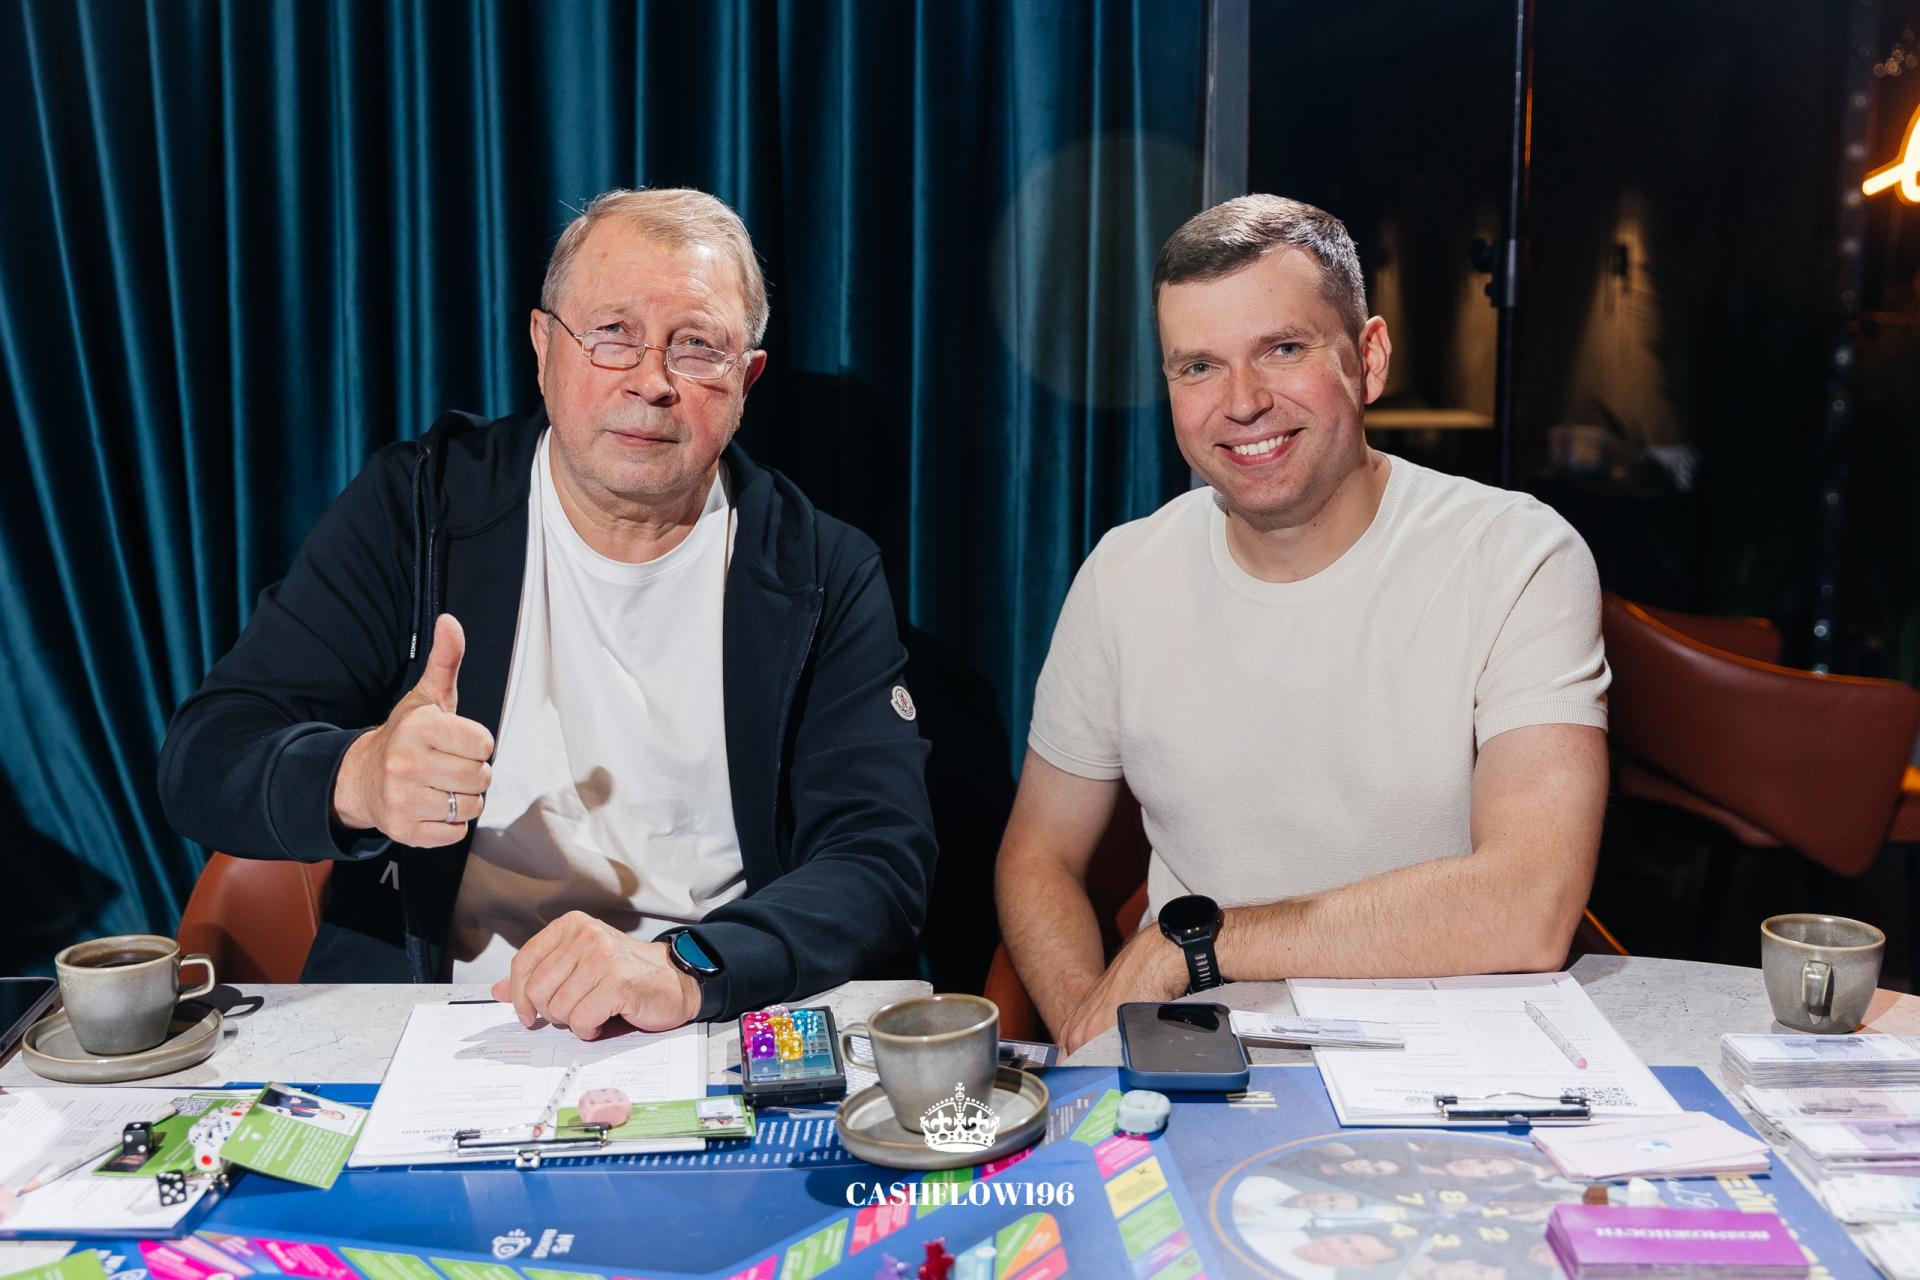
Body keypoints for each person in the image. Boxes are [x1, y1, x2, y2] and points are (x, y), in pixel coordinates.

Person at [160, 188, 936, 1038]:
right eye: (612, 334)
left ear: (745, 381)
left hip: (700, 1020)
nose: (651, 382)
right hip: (438, 1024)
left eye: (696, 347)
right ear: (543, 347)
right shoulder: (419, 509)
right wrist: (358, 776)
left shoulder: (822, 572)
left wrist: (689, 968)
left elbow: (880, 858)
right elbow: (205, 757)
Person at [996, 194, 1609, 1052]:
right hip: (1200, 1058)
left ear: (1369, 358)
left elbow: (1529, 905)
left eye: (1282, 349)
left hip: (1446, 1060)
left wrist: (1192, 947)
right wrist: (1093, 1037)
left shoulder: (1518, 555)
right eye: (1198, 367)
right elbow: (1039, 857)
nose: (1241, 402)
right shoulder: (1124, 573)